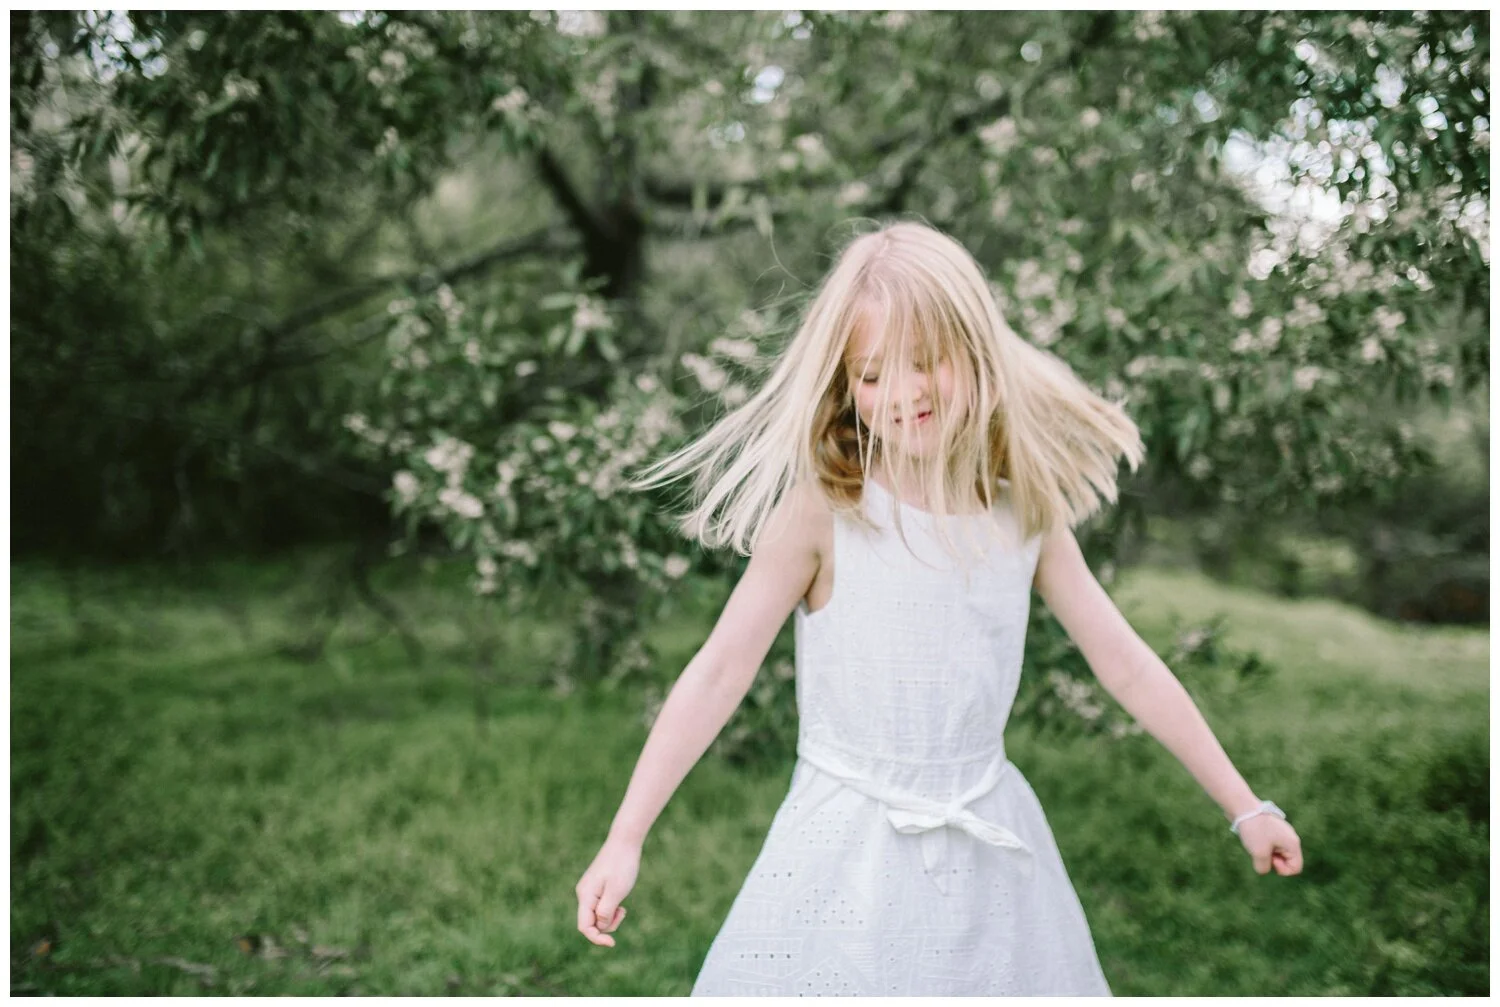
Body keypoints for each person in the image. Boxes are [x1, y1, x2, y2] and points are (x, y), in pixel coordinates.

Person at [573, 221, 1303, 995]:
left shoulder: (1025, 515)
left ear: (977, 352)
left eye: (927, 363)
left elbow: (1125, 661)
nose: (903, 394)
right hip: (843, 846)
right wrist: (626, 837)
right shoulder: (825, 512)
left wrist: (1244, 804)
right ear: (845, 384)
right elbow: (718, 671)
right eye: (872, 374)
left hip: (991, 849)